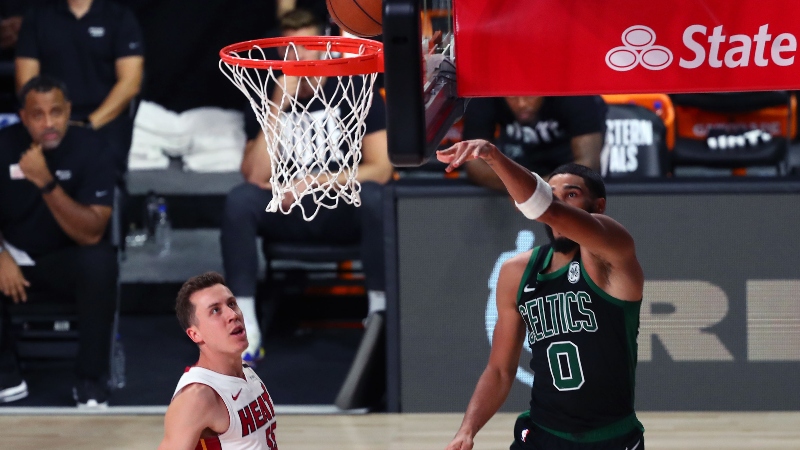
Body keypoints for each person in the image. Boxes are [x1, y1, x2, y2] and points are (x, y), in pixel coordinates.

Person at [437, 139, 645, 450]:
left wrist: (493, 156)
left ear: (597, 206)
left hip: (611, 438)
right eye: (554, 194)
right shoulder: (517, 272)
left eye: (571, 195)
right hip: (542, 434)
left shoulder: (614, 250)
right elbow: (500, 370)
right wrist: (467, 430)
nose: (559, 203)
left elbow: (547, 210)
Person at [220, 8, 393, 362]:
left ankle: (379, 312)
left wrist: (317, 180)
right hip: (287, 208)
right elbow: (254, 176)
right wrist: (276, 106)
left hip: (339, 206)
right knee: (240, 201)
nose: (297, 57)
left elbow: (382, 167)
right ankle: (246, 322)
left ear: (323, 48)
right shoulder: (269, 91)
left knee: (377, 197)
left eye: (305, 47)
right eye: (288, 49)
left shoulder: (354, 86)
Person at [0, 75, 117, 407]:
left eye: (56, 112)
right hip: (15, 259)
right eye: (38, 114)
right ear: (23, 116)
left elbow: (92, 231)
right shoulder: (4, 145)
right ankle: (5, 372)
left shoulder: (92, 149)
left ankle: (90, 379)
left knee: (100, 258)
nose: (48, 123)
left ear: (68, 112)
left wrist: (46, 182)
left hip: (66, 261)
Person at [15, 0, 144, 176]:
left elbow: (130, 83)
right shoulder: (37, 16)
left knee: (98, 159)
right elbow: (26, 83)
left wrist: (87, 125)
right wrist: (51, 122)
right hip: (48, 119)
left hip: (103, 122)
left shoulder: (120, 17)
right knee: (18, 162)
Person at [159, 272, 277, 450]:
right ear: (195, 334)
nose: (232, 314)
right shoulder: (197, 398)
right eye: (215, 310)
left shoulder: (246, 372)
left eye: (231, 304)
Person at [460, 96, 607, 191]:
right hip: (515, 169)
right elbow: (474, 165)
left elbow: (589, 163)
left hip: (563, 170)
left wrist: (535, 190)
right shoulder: (485, 95)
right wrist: (522, 187)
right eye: (512, 98)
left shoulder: (576, 97)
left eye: (530, 96)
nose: (522, 103)